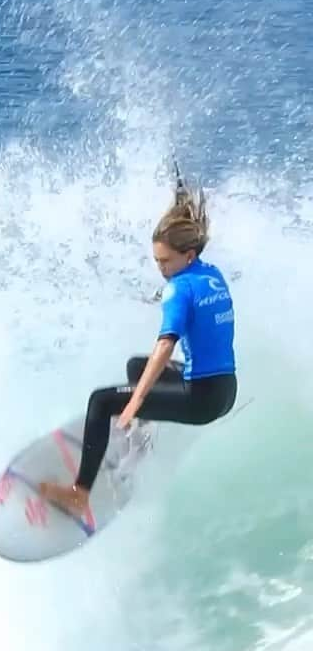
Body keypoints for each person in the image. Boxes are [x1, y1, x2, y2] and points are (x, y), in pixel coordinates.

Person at [39, 176, 238, 522]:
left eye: (165, 262)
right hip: (225, 389)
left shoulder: (179, 290)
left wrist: (136, 401)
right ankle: (141, 442)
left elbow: (165, 346)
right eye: (157, 261)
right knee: (135, 365)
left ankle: (78, 495)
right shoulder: (211, 275)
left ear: (188, 255)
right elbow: (194, 307)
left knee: (102, 402)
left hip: (202, 399)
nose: (160, 269)